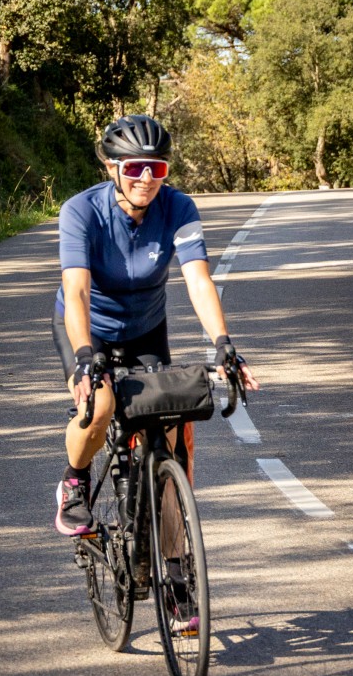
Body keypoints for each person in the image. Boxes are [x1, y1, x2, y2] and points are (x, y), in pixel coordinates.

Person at [52, 114, 259, 536]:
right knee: (100, 407)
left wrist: (224, 344)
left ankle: (175, 558)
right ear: (111, 167)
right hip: (89, 329)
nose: (146, 179)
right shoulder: (81, 211)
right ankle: (75, 482)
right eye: (134, 168)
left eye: (157, 168)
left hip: (145, 329)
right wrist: (85, 356)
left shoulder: (178, 208)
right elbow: (77, 291)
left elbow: (198, 280)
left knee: (170, 422)